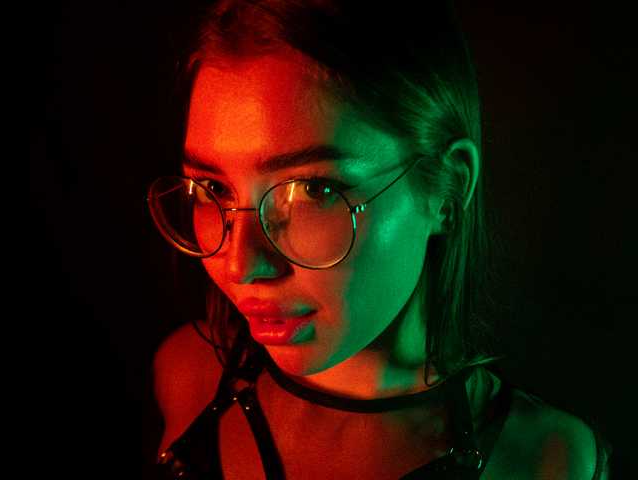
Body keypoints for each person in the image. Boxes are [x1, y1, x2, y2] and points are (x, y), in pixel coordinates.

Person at [148, 1, 612, 478]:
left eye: (314, 190)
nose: (240, 265)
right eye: (213, 188)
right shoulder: (187, 374)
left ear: (447, 190)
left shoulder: (544, 460)